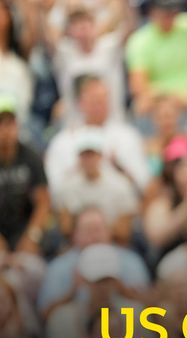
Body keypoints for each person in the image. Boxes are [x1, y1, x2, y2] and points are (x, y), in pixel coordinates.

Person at [45, 75, 150, 193]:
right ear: (80, 103)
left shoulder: (128, 136)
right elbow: (55, 188)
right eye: (93, 100)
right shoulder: (63, 142)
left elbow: (143, 183)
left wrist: (118, 168)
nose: (99, 106)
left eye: (102, 100)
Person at [52, 129, 139, 246]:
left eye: (92, 155)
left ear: (100, 156)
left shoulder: (120, 186)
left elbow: (124, 232)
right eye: (85, 155)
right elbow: (65, 228)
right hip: (78, 248)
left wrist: (91, 227)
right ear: (79, 157)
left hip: (114, 246)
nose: (89, 160)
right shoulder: (66, 187)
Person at [0, 97, 50, 258]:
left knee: (31, 266)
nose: (5, 131)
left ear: (17, 125)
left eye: (9, 123)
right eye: (1, 124)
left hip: (23, 229)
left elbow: (43, 201)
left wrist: (32, 236)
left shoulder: (30, 157)